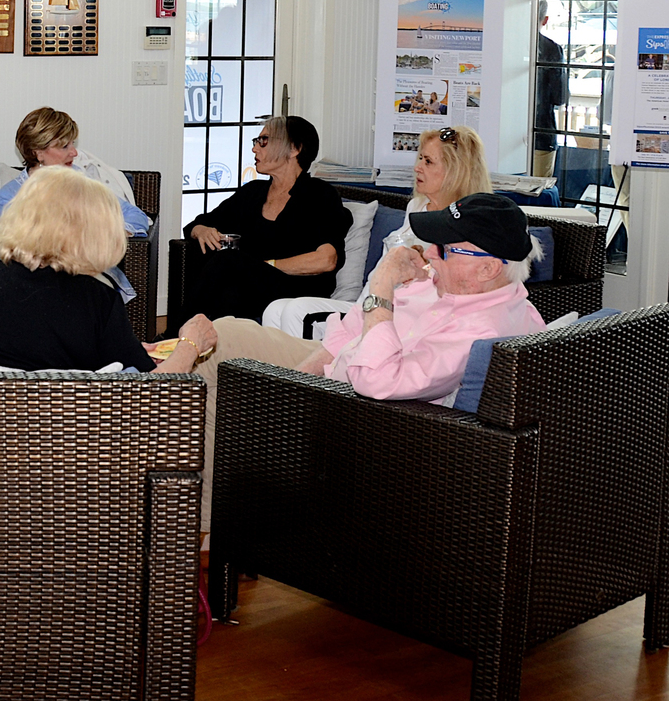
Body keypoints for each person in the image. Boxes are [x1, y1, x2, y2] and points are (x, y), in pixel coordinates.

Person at [155, 192, 546, 529]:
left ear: (488, 267)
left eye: (444, 248)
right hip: (331, 374)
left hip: (362, 418)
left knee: (216, 406)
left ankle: (195, 527)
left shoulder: (483, 329)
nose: (429, 253)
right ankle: (141, 423)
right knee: (225, 336)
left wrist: (381, 285)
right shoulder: (446, 283)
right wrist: (300, 375)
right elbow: (351, 325)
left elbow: (376, 380)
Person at [261, 124, 491, 336]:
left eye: (428, 162)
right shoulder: (416, 206)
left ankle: (311, 379)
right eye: (419, 158)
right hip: (366, 302)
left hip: (397, 316)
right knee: (274, 309)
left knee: (297, 311)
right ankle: (279, 379)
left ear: (455, 171)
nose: (417, 167)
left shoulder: (467, 223)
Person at [0, 166, 155, 373]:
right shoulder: (96, 300)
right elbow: (151, 384)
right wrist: (188, 342)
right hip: (52, 408)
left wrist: (122, 346)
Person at [176, 115, 351, 327]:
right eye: (256, 142)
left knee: (229, 261)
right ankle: (215, 350)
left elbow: (326, 260)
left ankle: (173, 338)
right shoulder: (252, 193)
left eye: (264, 141)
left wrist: (263, 266)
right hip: (251, 285)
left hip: (297, 290)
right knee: (226, 284)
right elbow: (200, 223)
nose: (255, 149)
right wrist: (201, 230)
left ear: (294, 149)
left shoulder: (320, 194)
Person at [0, 106, 150, 235]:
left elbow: (136, 216)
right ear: (38, 152)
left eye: (73, 144)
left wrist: (114, 235)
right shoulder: (11, 195)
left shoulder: (84, 180)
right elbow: (21, 242)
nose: (74, 153)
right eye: (64, 147)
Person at [534, 0, 568, 178]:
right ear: (545, 20)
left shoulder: (505, 44)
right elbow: (560, 96)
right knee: (539, 193)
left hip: (503, 135)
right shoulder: (552, 49)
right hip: (542, 133)